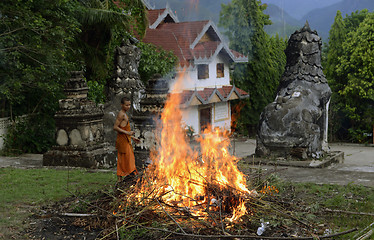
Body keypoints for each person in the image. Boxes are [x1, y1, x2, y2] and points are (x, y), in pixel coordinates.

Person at [113, 97, 140, 183]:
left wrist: (132, 137)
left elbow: (124, 131)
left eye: (129, 105)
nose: (128, 107)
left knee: (127, 159)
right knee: (127, 160)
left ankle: (121, 180)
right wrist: (128, 133)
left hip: (126, 140)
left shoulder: (125, 114)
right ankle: (128, 177)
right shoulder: (121, 114)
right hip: (122, 141)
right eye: (126, 105)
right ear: (122, 105)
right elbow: (115, 127)